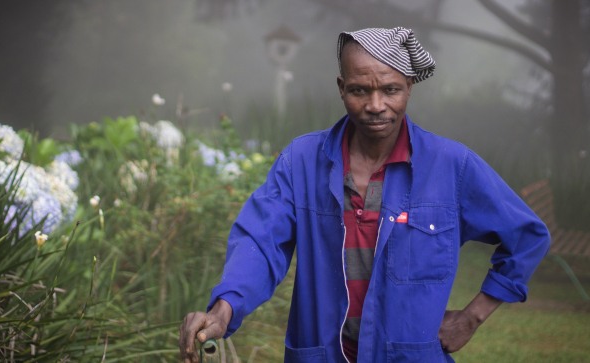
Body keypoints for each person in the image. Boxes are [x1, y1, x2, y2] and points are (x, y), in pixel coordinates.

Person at [179, 27, 550, 363]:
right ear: (341, 87)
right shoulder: (301, 163)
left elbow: (527, 237)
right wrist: (223, 310)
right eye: (360, 90)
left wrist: (472, 316)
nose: (375, 105)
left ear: (409, 87)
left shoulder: (451, 166)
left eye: (390, 89)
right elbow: (260, 243)